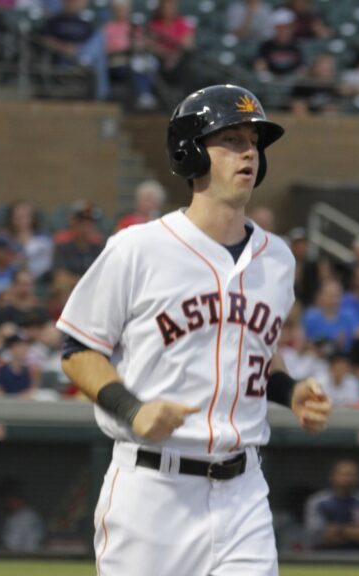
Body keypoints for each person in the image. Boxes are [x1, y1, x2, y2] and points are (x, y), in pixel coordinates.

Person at [57, 85, 330, 576]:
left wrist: (291, 391)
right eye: (230, 138)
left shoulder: (278, 259)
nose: (248, 151)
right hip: (153, 490)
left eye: (254, 142)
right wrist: (133, 410)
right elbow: (78, 347)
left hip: (244, 489)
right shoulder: (137, 249)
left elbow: (256, 353)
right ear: (191, 152)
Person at [304, 460, 359, 551]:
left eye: (351, 475)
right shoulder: (318, 501)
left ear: (358, 478)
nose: (348, 479)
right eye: (343, 475)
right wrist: (354, 531)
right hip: (322, 557)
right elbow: (318, 537)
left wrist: (338, 530)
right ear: (333, 476)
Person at [303, 279, 359, 352]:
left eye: (336, 295)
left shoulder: (350, 315)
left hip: (345, 357)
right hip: (316, 357)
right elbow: (303, 341)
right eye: (329, 295)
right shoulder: (310, 317)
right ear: (321, 296)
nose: (333, 300)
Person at [1, 201, 52, 280]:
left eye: (25, 216)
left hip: (41, 277)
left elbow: (48, 261)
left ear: (32, 218)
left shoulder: (43, 238)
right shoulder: (5, 239)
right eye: (18, 217)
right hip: (12, 279)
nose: (22, 221)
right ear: (12, 219)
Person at [53, 203, 105, 280]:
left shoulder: (99, 247)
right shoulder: (63, 246)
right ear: (73, 223)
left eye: (90, 223)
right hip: (71, 291)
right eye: (82, 222)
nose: (86, 227)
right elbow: (61, 278)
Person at [0, 480, 46, 552]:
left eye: (7, 499)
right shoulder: (30, 514)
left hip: (23, 557)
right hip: (31, 556)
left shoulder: (23, 517)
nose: (4, 503)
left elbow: (11, 546)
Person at [254, 8, 303, 78]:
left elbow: (302, 69)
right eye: (280, 28)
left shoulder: (297, 46)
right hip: (270, 83)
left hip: (291, 83)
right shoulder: (266, 46)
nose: (283, 31)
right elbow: (259, 66)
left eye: (286, 28)